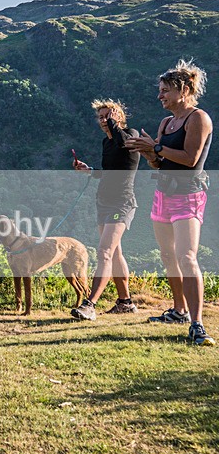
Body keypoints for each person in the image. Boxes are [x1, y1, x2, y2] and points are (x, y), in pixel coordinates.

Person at [125, 60, 215, 346]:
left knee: (187, 256)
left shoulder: (198, 118)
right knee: (167, 256)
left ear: (184, 89)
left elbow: (190, 159)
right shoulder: (166, 122)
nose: (159, 96)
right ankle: (179, 310)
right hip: (164, 193)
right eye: (160, 91)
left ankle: (198, 324)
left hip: (188, 196)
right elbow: (160, 163)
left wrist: (156, 147)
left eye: (165, 91)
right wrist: (148, 153)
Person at [71, 100, 140, 320]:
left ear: (119, 116)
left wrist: (113, 124)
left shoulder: (130, 135)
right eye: (101, 117)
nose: (104, 120)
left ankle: (90, 304)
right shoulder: (106, 143)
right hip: (104, 201)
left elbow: (123, 143)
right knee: (115, 252)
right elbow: (109, 172)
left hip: (122, 203)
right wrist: (89, 170)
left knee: (104, 252)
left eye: (108, 116)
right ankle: (125, 302)